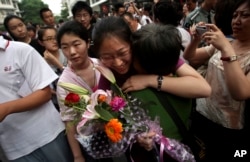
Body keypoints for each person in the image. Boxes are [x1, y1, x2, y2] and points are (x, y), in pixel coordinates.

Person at [92, 16, 211, 162]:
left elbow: (203, 88)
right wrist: (136, 136)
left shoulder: (151, 53)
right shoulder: (107, 75)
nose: (117, 62)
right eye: (107, 56)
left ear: (132, 43)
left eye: (122, 52)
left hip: (179, 141)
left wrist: (151, 80)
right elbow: (104, 118)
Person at [183, 0, 250, 161]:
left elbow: (241, 92)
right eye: (235, 15)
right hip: (201, 115)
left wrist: (226, 49)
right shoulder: (227, 43)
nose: (236, 21)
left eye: (245, 15)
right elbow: (189, 57)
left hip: (227, 129)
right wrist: (195, 40)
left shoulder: (226, 45)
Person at [0, 35, 73, 162]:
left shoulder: (19, 50)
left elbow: (44, 93)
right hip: (13, 147)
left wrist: (6, 109)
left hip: (48, 134)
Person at [56, 20, 113, 162]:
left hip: (114, 130)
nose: (72, 52)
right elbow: (69, 122)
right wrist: (78, 156)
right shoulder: (64, 84)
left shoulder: (102, 65)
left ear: (87, 43)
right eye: (65, 47)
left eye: (76, 44)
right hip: (90, 139)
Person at [37, 26, 68, 111]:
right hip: (58, 104)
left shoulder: (67, 53)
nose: (54, 41)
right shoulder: (40, 63)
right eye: (49, 39)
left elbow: (76, 75)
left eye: (56, 37)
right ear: (41, 42)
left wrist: (56, 63)